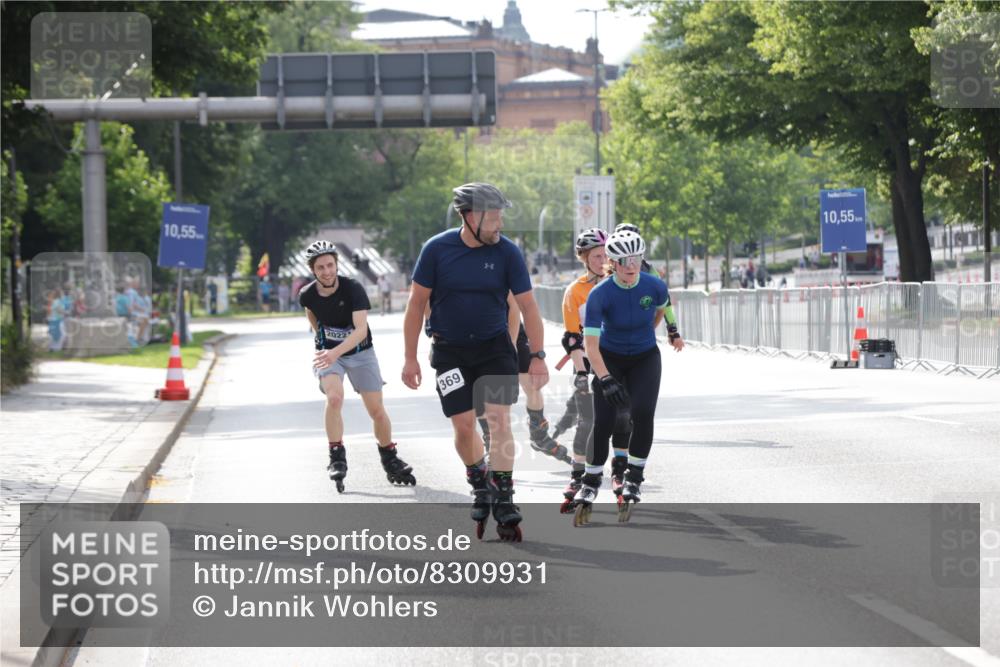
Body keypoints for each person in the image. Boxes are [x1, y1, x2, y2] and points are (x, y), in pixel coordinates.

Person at [402, 182, 549, 542]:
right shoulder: (436, 250)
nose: (500, 224)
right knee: (465, 426)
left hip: (494, 349)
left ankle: (504, 494)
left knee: (498, 419)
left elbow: (528, 306)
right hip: (449, 351)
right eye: (494, 217)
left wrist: (537, 356)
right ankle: (477, 477)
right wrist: (410, 358)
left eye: (501, 216)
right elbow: (416, 304)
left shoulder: (507, 253)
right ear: (469, 217)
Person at [572, 229, 684, 526]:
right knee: (605, 422)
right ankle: (591, 479)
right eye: (623, 261)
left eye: (635, 259)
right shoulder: (600, 295)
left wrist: (671, 332)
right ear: (613, 262)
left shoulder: (654, 286)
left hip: (645, 357)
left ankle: (634, 476)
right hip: (609, 358)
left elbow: (661, 312)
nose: (631, 266)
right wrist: (606, 378)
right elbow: (591, 346)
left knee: (642, 413)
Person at [299, 240, 416, 493]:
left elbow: (361, 330)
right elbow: (313, 318)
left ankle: (390, 457)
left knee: (376, 411)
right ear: (313, 271)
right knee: (334, 399)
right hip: (330, 355)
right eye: (321, 267)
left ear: (337, 265)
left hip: (360, 352)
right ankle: (336, 456)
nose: (327, 271)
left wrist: (335, 351)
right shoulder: (307, 294)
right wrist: (323, 346)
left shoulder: (353, 289)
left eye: (330, 265)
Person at [558, 227, 633, 513]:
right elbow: (572, 338)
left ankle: (620, 470)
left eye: (606, 255)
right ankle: (578, 476)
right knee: (587, 421)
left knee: (624, 417)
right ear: (584, 259)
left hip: (618, 358)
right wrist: (580, 374)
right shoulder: (575, 291)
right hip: (588, 361)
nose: (602, 260)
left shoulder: (622, 283)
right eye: (596, 255)